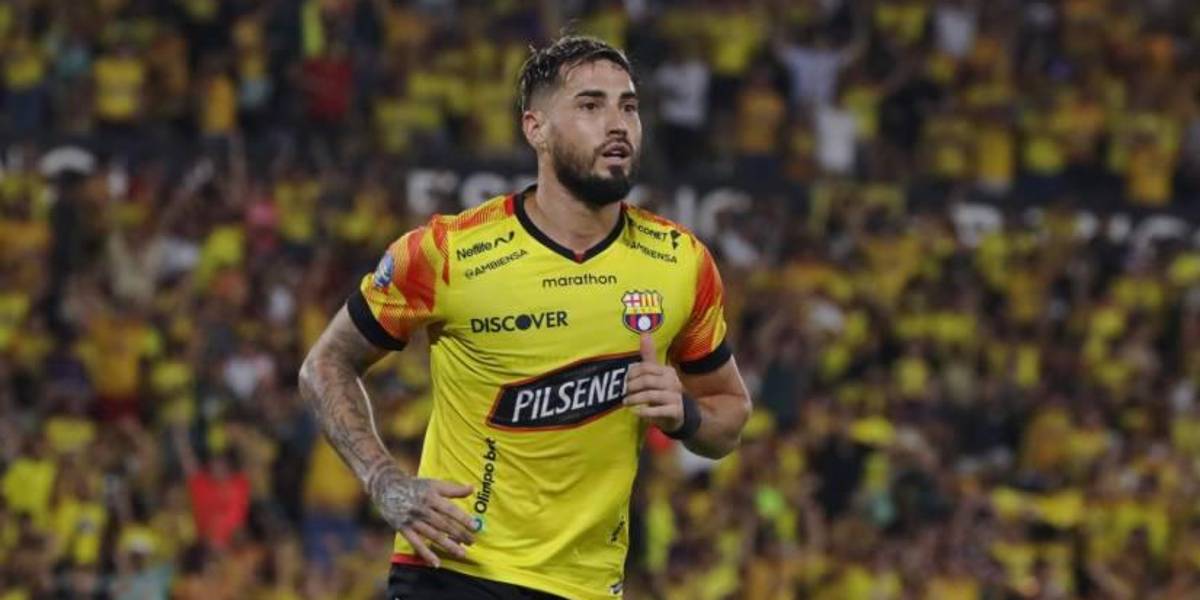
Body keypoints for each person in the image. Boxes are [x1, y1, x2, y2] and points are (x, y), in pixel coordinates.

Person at [298, 36, 751, 599]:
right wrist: (384, 481)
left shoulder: (681, 262)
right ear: (535, 128)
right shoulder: (448, 252)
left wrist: (685, 414)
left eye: (629, 106)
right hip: (454, 572)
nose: (618, 124)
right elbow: (326, 364)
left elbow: (730, 416)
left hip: (585, 586)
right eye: (591, 105)